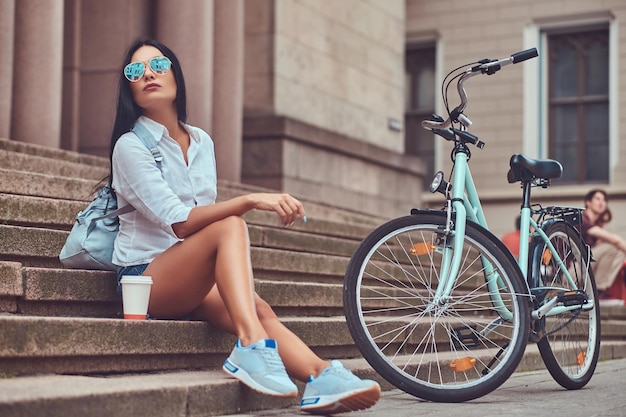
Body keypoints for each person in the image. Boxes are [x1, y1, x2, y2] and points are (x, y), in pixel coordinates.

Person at [108, 38, 380, 414]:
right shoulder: (129, 146)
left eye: (158, 64)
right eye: (135, 71)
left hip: (188, 273)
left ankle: (320, 376)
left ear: (176, 75)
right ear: (130, 90)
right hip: (144, 279)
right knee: (230, 224)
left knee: (258, 308)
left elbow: (202, 219)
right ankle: (251, 347)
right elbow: (181, 223)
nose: (148, 74)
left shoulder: (201, 141)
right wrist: (252, 200)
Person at [580, 189, 626, 305]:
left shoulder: (593, 226)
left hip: (581, 269)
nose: (602, 202)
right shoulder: (582, 219)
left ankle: (598, 291)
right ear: (588, 202)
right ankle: (599, 291)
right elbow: (615, 240)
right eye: (598, 199)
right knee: (614, 247)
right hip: (571, 271)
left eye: (604, 200)